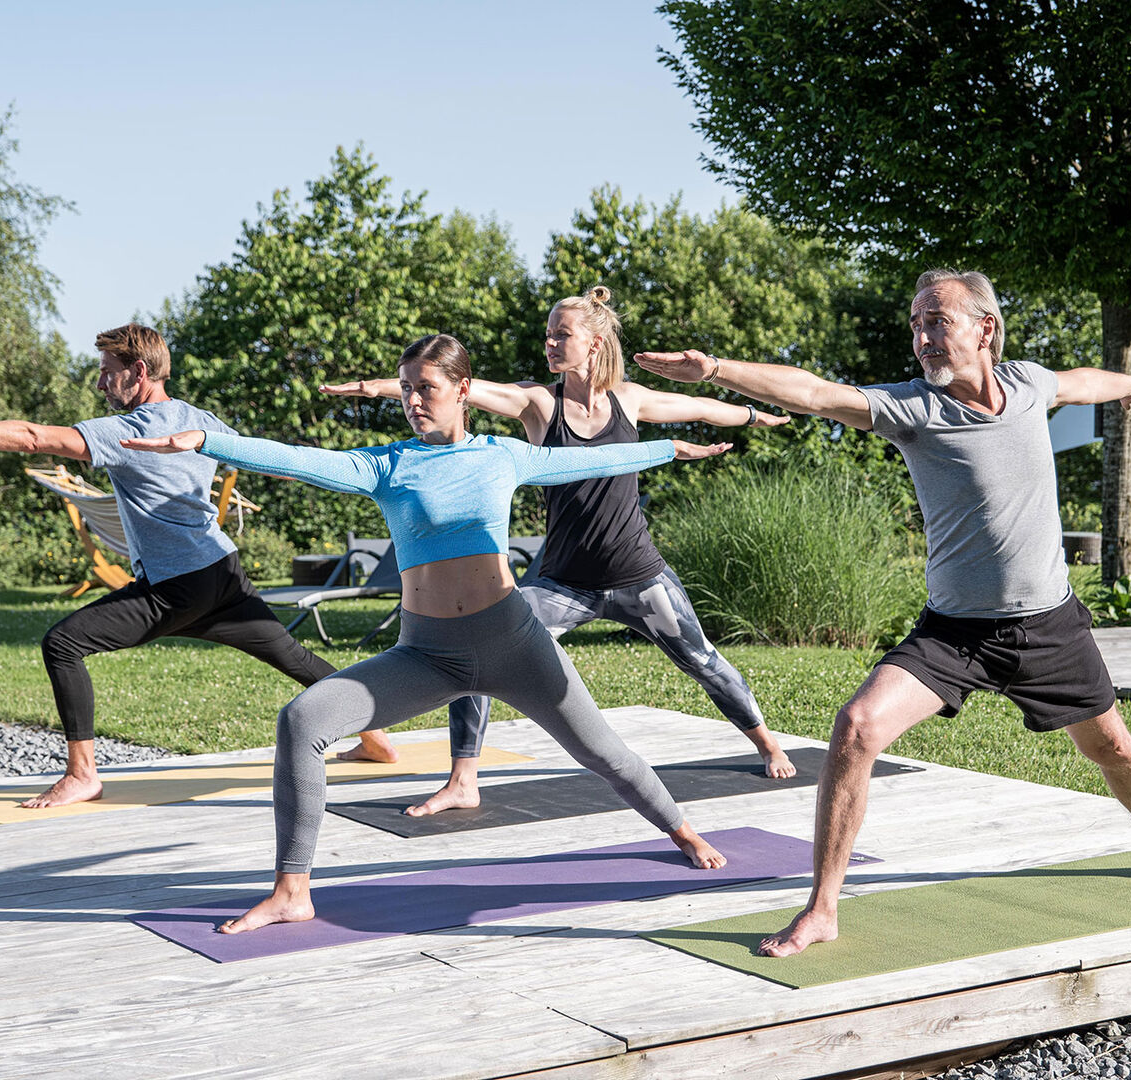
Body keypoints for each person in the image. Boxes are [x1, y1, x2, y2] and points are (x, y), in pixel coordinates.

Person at [634, 268, 1131, 959]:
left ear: (985, 328)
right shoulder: (914, 410)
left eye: (936, 321)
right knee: (855, 727)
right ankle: (823, 907)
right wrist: (715, 370)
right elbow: (818, 395)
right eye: (916, 325)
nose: (921, 338)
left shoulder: (1030, 385)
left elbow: (1083, 382)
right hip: (955, 633)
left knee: (1112, 748)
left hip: (1049, 623)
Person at [124, 333, 733, 934]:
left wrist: (666, 449)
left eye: (427, 389)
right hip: (427, 655)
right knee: (303, 721)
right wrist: (209, 440)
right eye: (407, 390)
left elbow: (593, 459)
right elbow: (301, 459)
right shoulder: (386, 465)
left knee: (604, 753)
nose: (414, 401)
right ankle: (292, 891)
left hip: (514, 644)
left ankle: (679, 827)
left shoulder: (501, 454)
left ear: (463, 390)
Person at [323, 286, 794, 820]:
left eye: (561, 335)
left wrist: (756, 418)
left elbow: (703, 409)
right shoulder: (539, 403)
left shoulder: (630, 401)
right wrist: (377, 387)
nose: (549, 343)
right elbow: (461, 390)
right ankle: (463, 780)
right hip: (563, 584)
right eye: (548, 335)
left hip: (639, 575)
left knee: (703, 661)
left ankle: (767, 743)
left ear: (594, 344)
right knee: (478, 655)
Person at [0, 322, 396, 808]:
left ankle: (83, 775)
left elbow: (34, 437)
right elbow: (265, 461)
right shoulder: (198, 419)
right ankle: (375, 738)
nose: (102, 382)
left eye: (109, 370)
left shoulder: (125, 432)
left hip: (180, 585)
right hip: (222, 570)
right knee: (294, 658)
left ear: (140, 373)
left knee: (63, 644)